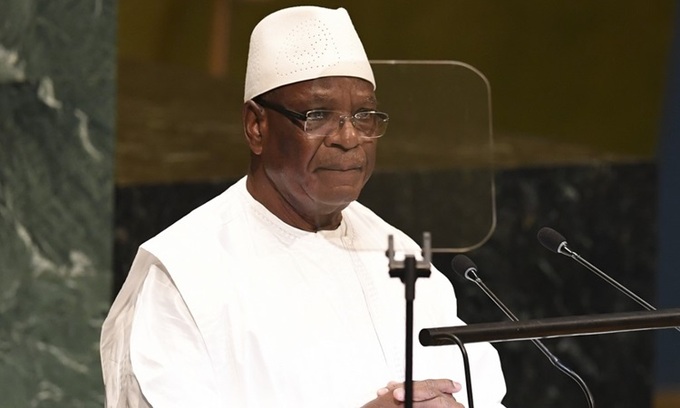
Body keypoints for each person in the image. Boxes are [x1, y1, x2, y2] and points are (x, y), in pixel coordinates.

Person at [100, 5, 507, 407]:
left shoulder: (397, 253)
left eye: (364, 115)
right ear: (256, 126)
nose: (348, 137)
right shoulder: (187, 272)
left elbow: (482, 389)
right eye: (319, 115)